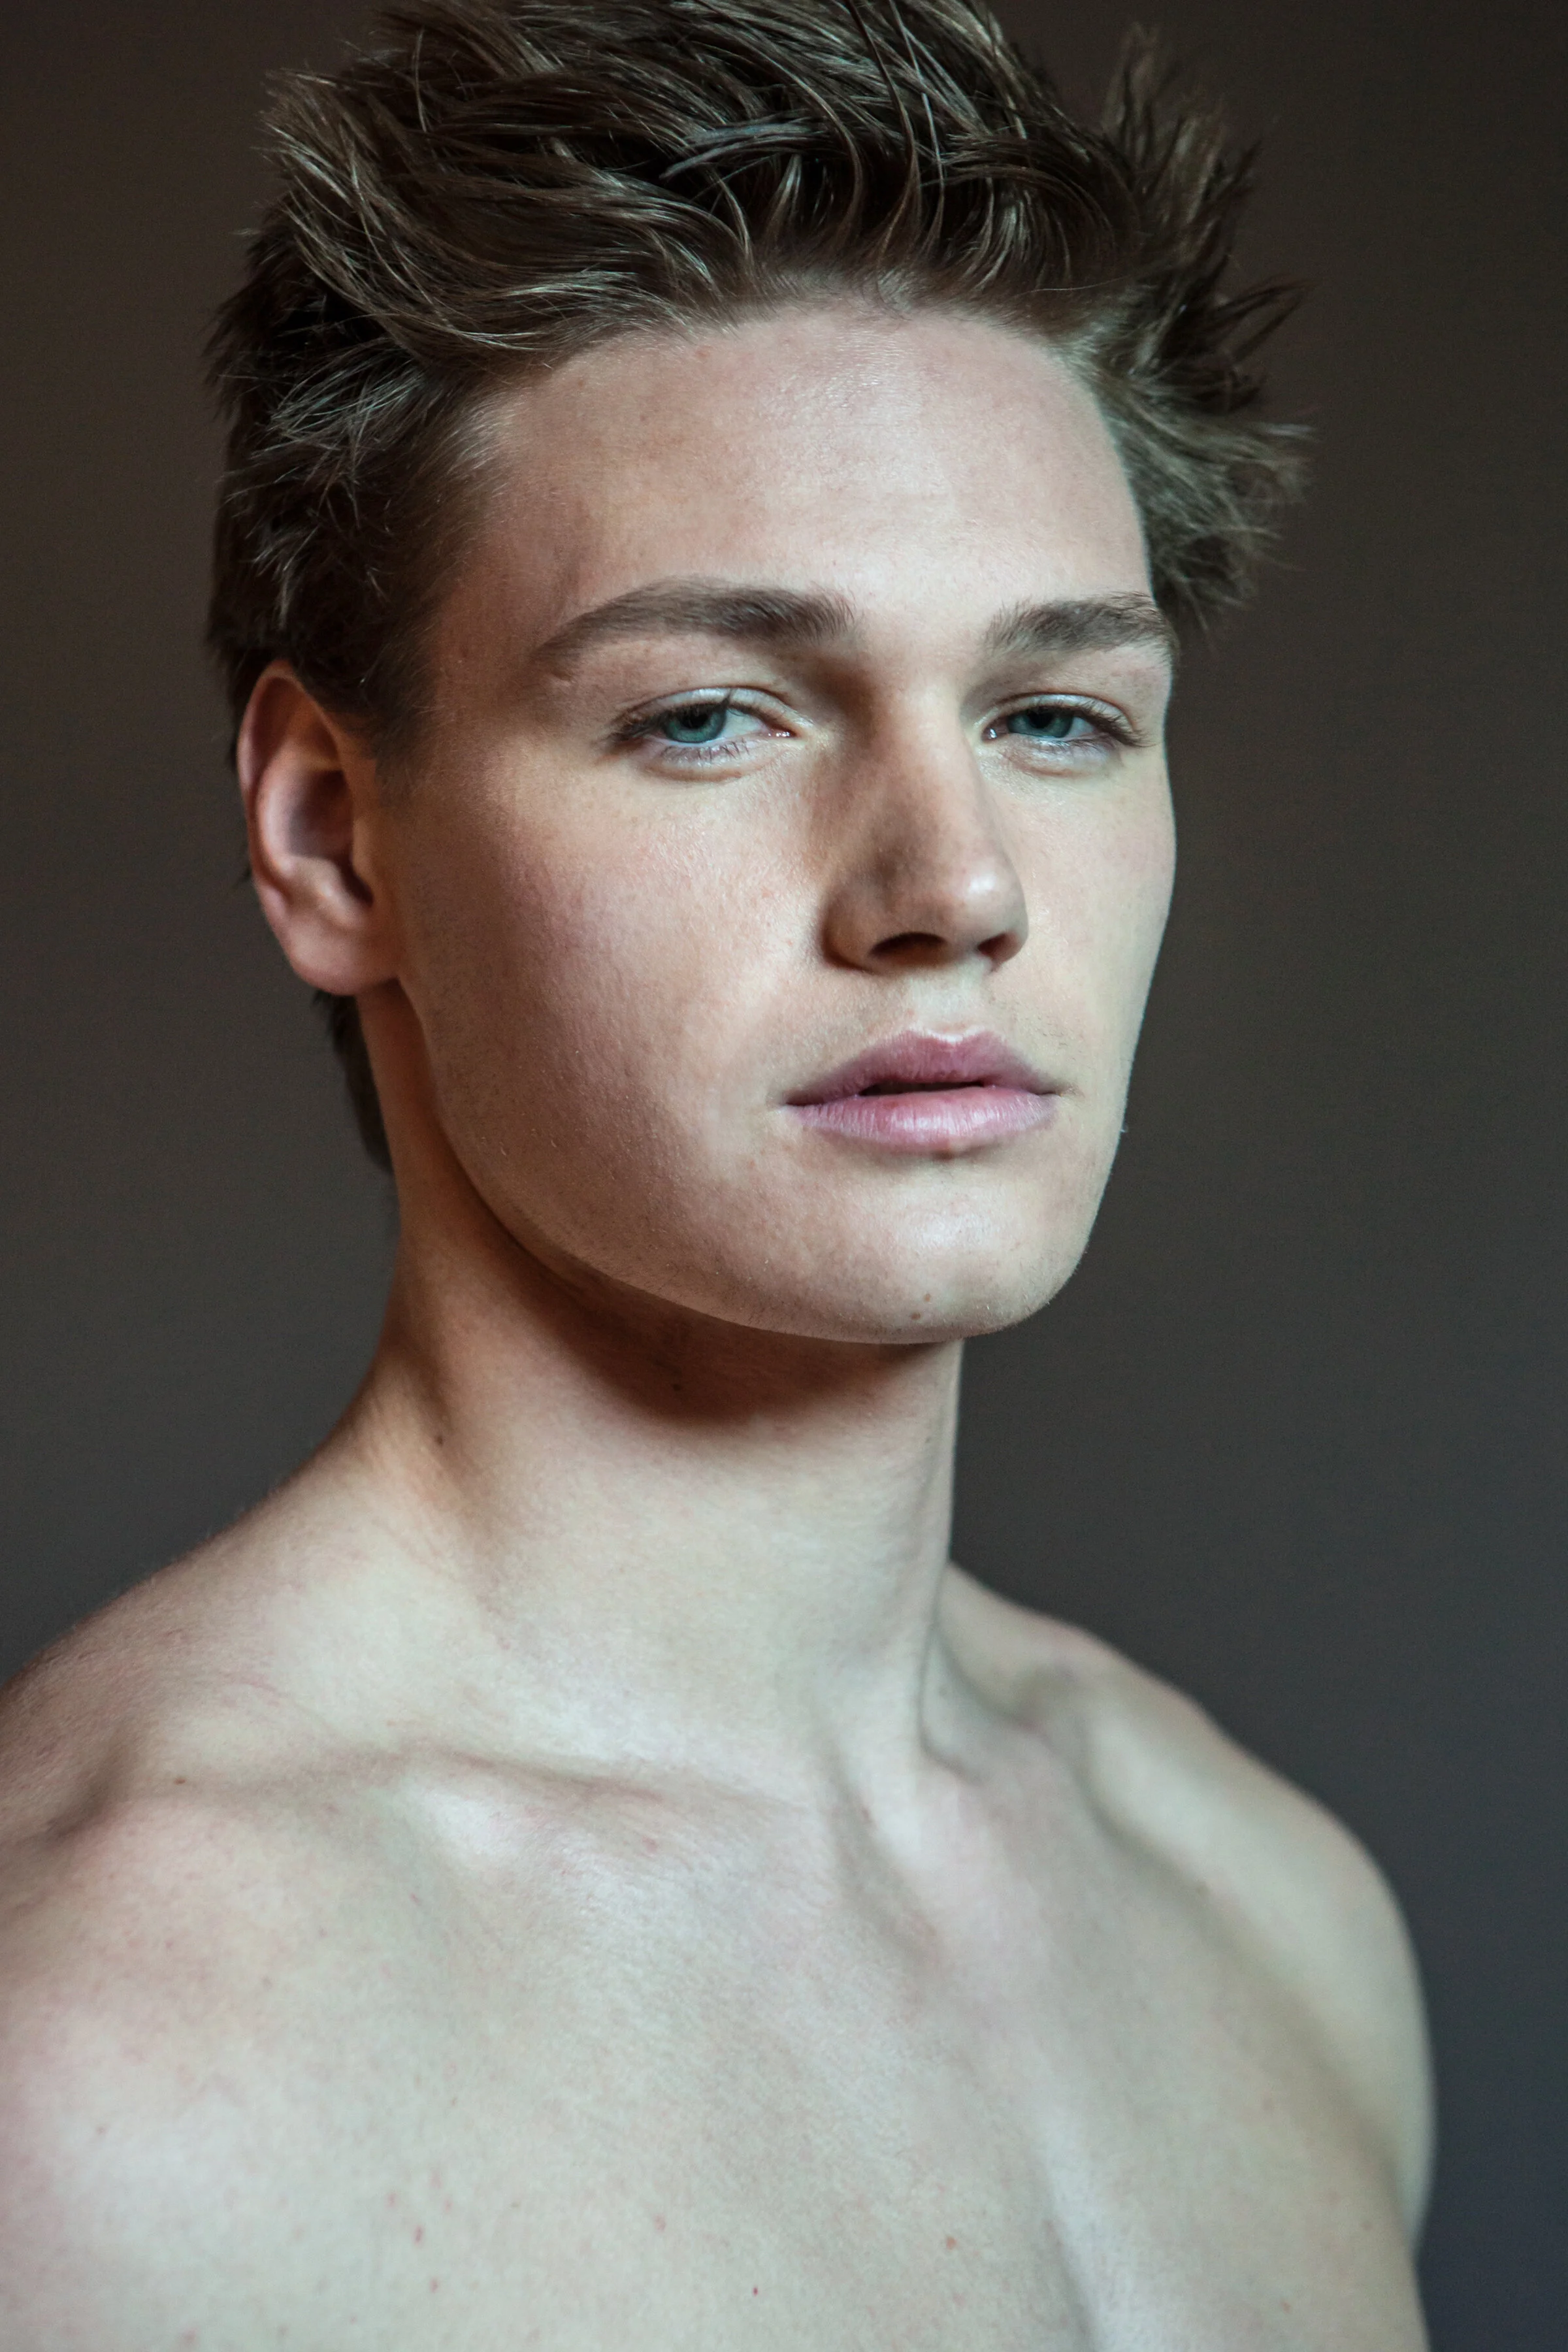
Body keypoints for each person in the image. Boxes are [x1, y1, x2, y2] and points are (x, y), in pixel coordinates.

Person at [0, 1, 1433, 2342]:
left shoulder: (1268, 1908)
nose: (952, 884)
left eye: (1057, 714)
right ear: (331, 835)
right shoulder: (93, 2076)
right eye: (709, 716)